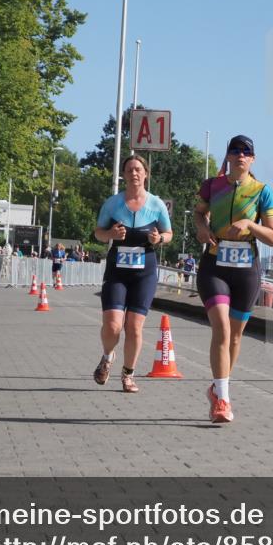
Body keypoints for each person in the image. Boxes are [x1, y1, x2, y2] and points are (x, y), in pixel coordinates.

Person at [194, 135, 273, 423]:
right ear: (228, 156)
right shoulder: (212, 186)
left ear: (252, 159)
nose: (240, 155)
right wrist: (202, 229)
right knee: (221, 329)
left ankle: (217, 388)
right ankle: (223, 401)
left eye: (246, 152)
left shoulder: (262, 191)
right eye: (235, 151)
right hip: (214, 265)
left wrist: (250, 225)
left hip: (246, 270)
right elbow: (198, 213)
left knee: (235, 335)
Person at [92, 155, 173, 393]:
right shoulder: (113, 204)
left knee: (135, 327)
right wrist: (110, 235)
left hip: (144, 272)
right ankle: (107, 357)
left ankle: (128, 374)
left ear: (145, 174)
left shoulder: (156, 204)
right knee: (113, 325)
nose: (134, 173)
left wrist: (160, 239)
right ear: (124, 175)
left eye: (138, 169)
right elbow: (98, 232)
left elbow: (169, 234)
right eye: (129, 170)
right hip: (118, 271)